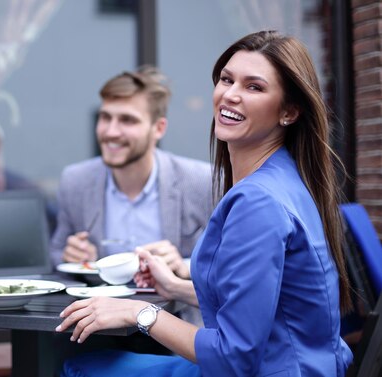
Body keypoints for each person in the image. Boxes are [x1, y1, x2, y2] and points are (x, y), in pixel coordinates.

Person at [55, 30, 354, 376]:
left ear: (288, 111)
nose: (231, 95)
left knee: (81, 368)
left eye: (253, 87)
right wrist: (176, 288)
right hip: (304, 365)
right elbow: (265, 304)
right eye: (226, 80)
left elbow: (234, 356)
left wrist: (139, 313)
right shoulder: (285, 179)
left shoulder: (258, 201)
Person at [49, 66, 213, 275]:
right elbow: (56, 252)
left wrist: (185, 266)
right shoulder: (76, 181)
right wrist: (70, 255)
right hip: (100, 305)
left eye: (127, 120)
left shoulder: (202, 181)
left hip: (173, 308)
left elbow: (228, 262)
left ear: (159, 128)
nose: (111, 132)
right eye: (105, 117)